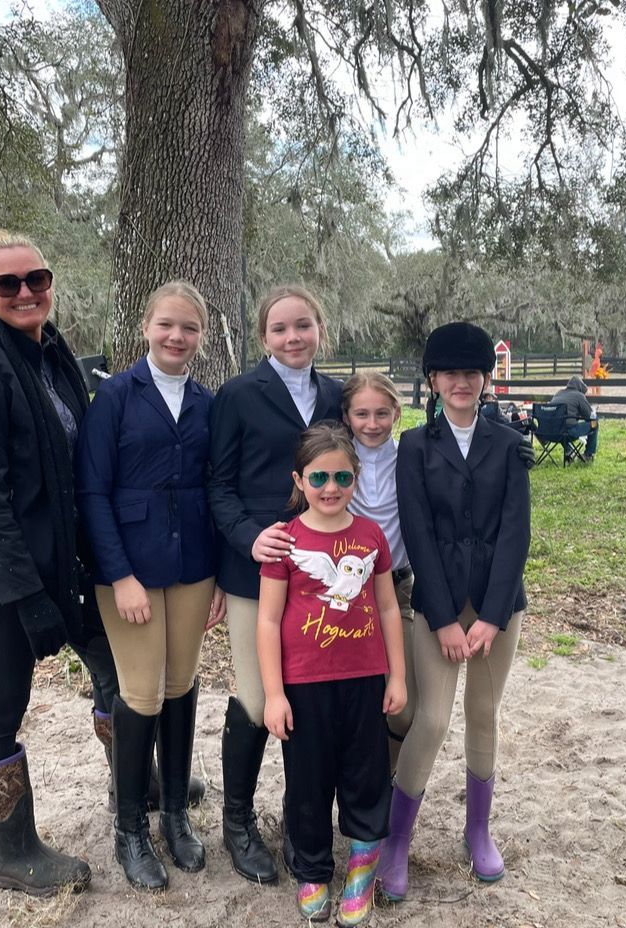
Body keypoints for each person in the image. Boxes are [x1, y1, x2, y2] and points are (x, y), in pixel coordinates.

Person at [0, 227, 119, 895]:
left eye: (35, 279)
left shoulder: (56, 356)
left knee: (113, 666)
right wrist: (28, 597)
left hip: (66, 561)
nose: (24, 292)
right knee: (2, 698)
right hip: (0, 571)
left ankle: (133, 785)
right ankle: (10, 851)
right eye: (7, 283)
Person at [74, 281, 226, 890]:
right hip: (129, 570)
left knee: (181, 684)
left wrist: (218, 574)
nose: (176, 337)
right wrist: (119, 575)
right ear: (146, 327)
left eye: (188, 328)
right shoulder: (113, 398)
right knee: (141, 693)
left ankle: (172, 818)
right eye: (167, 325)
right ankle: (129, 828)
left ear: (201, 337)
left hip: (192, 565)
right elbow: (92, 493)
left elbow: (215, 490)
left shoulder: (208, 404)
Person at [379, 322, 530, 901]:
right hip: (437, 601)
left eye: (472, 373)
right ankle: (396, 841)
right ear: (434, 381)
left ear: (483, 380)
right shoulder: (416, 446)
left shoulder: (509, 442)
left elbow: (516, 533)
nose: (461, 382)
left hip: (497, 604)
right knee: (433, 719)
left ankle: (477, 830)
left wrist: (491, 616)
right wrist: (442, 618)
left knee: (483, 712)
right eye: (450, 374)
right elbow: (415, 530)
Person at [207, 284, 344, 884]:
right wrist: (247, 536)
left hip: (322, 572)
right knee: (261, 700)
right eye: (281, 328)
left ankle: (301, 818)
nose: (294, 338)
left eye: (304, 326)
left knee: (310, 696)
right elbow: (217, 483)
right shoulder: (237, 395)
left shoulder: (337, 394)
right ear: (264, 336)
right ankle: (237, 820)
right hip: (256, 567)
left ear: (320, 329)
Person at [257, 423, 407, 926]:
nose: (331, 487)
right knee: (309, 782)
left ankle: (361, 870)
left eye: (343, 476)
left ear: (356, 478)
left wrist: (397, 676)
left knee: (366, 776)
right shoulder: (286, 542)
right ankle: (314, 870)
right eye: (319, 477)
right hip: (304, 685)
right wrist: (274, 694)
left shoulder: (370, 536)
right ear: (299, 480)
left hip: (364, 679)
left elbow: (387, 607)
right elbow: (268, 620)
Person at [341, 372, 416, 774]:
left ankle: (387, 780)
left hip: (398, 588)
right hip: (344, 591)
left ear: (396, 414)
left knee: (401, 706)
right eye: (362, 414)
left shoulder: (411, 456)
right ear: (347, 415)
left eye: (382, 413)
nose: (372, 424)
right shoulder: (335, 461)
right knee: (352, 699)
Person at [547, 374, 599, 463]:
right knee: (595, 424)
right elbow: (590, 417)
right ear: (580, 388)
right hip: (567, 432)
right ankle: (588, 455)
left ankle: (569, 451)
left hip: (550, 433)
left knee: (562, 424)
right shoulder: (579, 396)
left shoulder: (558, 393)